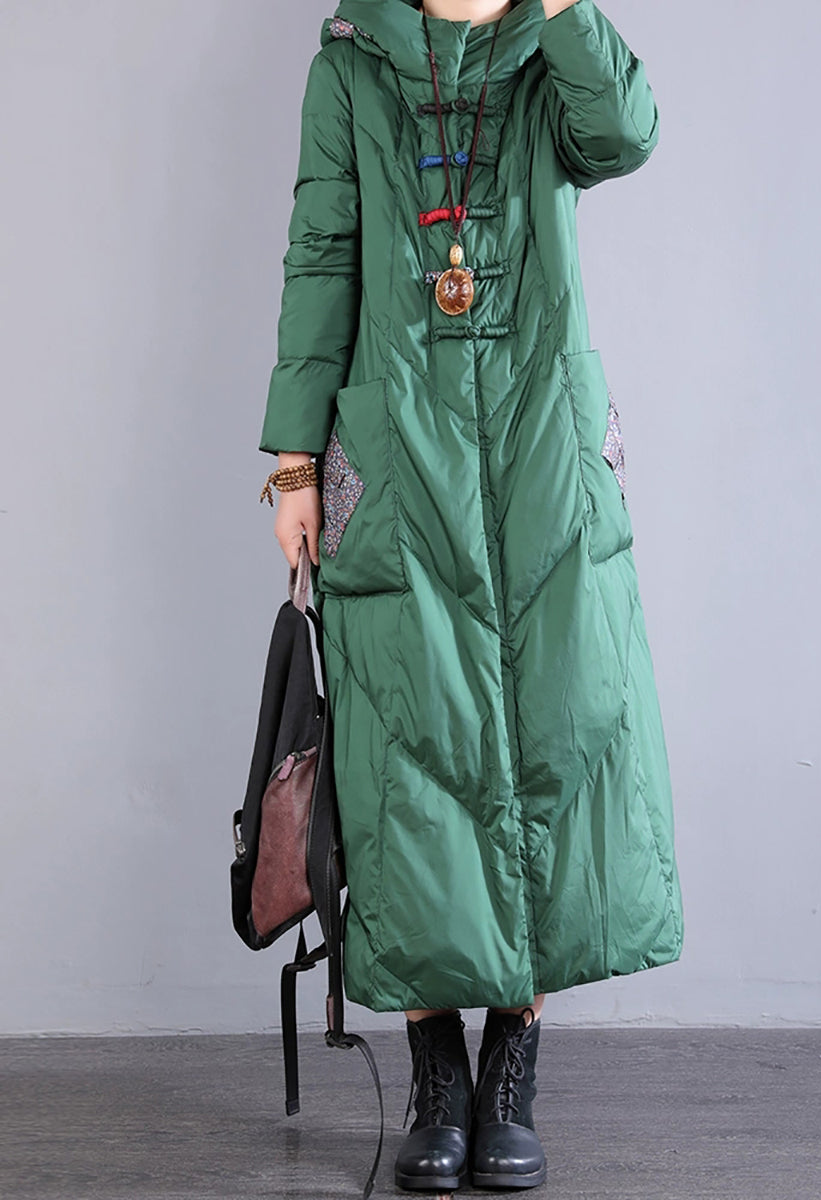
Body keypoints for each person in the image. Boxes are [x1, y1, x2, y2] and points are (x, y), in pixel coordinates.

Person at [257, 0, 684, 1190]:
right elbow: (322, 254)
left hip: (546, 449)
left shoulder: (555, 50)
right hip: (397, 451)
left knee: (552, 739)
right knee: (411, 760)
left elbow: (626, 133)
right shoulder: (349, 67)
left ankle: (512, 1071)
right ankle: (436, 1078)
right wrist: (294, 460)